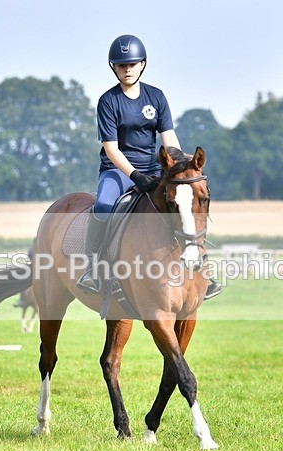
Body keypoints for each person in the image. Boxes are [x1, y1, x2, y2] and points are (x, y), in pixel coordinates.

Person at [76, 34, 222, 300]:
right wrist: (135, 176)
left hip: (156, 171)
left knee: (185, 206)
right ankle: (93, 269)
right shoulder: (108, 101)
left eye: (132, 64)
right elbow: (111, 148)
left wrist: (180, 166)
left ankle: (202, 271)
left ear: (143, 64)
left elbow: (169, 139)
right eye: (121, 65)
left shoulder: (156, 97)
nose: (127, 69)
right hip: (117, 171)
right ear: (114, 68)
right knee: (104, 206)